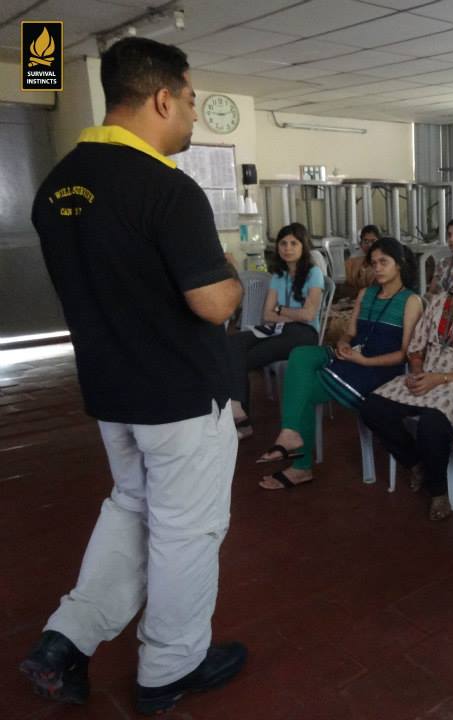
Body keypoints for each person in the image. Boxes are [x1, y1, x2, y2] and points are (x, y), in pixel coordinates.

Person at [21, 37, 246, 714]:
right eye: (191, 100)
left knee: (130, 509)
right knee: (185, 532)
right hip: (178, 399)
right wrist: (235, 278)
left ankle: (66, 639)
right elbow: (211, 301)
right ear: (161, 96)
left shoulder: (57, 184)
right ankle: (169, 669)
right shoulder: (165, 189)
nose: (193, 116)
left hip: (112, 394)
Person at [257, 237, 422, 489]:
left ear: (399, 265)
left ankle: (300, 465)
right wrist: (344, 343)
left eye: (383, 262)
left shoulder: (410, 301)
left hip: (378, 370)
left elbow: (403, 355)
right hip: (352, 356)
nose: (376, 267)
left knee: (303, 392)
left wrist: (364, 361)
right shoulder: (366, 293)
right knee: (300, 354)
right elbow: (350, 332)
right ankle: (290, 435)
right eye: (373, 262)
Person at [359, 245, 453, 521]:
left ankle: (437, 491)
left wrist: (440, 379)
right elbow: (416, 346)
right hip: (426, 374)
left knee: (431, 425)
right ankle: (415, 462)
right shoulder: (440, 302)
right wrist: (416, 371)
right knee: (372, 406)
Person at [228, 222, 325, 439]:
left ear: (303, 246)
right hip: (279, 329)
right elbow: (267, 314)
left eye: (293, 243)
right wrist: (290, 313)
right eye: (283, 243)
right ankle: (237, 408)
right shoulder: (278, 276)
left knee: (243, 359)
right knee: (232, 343)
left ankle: (241, 420)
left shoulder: (314, 273)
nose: (287, 248)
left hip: (304, 334)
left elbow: (309, 315)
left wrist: (281, 309)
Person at [344, 224, 380, 294]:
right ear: (361, 243)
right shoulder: (353, 260)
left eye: (373, 241)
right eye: (366, 241)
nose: (369, 245)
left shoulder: (384, 259)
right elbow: (347, 283)